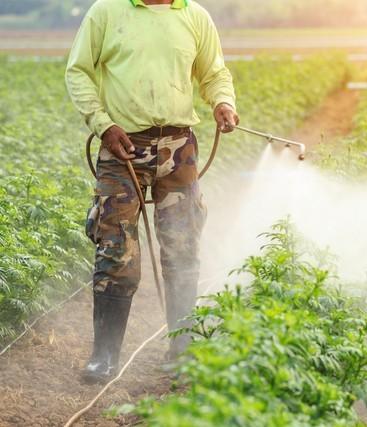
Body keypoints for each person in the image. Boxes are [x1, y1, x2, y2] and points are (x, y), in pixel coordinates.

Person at [65, 0, 239, 383]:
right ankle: (104, 357)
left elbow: (214, 73)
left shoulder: (194, 16)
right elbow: (78, 72)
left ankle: (182, 352)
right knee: (115, 250)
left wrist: (223, 102)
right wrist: (102, 124)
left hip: (178, 150)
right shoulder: (106, 12)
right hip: (120, 145)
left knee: (182, 247)